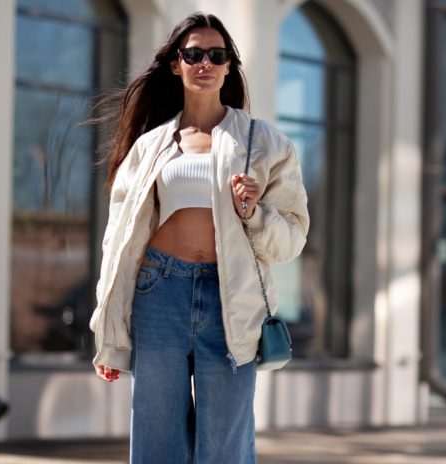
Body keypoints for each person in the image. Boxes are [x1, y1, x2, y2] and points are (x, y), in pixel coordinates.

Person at [89, 12, 309, 464]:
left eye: (216, 54)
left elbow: (291, 241)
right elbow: (119, 246)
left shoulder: (265, 143)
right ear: (176, 64)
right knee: (157, 443)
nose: (204, 62)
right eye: (193, 54)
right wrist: (108, 336)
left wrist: (255, 211)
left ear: (230, 65)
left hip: (231, 300)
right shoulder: (150, 146)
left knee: (224, 447)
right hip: (159, 291)